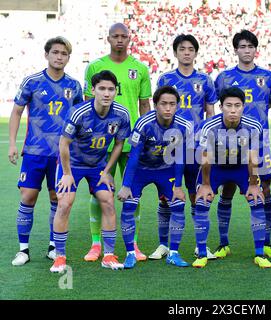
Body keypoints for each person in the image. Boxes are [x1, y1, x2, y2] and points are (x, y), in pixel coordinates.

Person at [214, 30, 271, 260]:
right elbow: (218, 107)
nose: (246, 50)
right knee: (227, 187)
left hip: (261, 141)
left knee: (265, 189)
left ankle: (266, 241)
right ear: (235, 50)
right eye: (242, 46)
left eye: (250, 46)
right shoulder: (224, 78)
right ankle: (223, 243)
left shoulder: (267, 77)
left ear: (256, 49)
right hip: (230, 142)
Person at [9, 37, 83, 266]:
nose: (59, 57)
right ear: (47, 55)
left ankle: (53, 246)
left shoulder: (74, 86)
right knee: (28, 196)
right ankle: (23, 250)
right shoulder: (32, 82)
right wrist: (12, 143)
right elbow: (17, 112)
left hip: (61, 155)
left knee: (56, 198)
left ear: (68, 58)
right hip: (34, 151)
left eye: (64, 53)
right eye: (55, 52)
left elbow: (79, 117)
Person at [83, 23, 152, 262]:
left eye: (124, 36)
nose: (120, 40)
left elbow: (145, 106)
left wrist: (147, 138)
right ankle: (96, 244)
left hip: (131, 142)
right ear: (108, 38)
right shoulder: (95, 66)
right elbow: (87, 105)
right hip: (102, 143)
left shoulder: (140, 68)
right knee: (99, 191)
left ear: (130, 38)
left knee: (133, 192)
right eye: (116, 36)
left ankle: (133, 244)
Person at [50, 70, 130, 272]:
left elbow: (119, 144)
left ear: (116, 91)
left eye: (111, 89)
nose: (106, 93)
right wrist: (67, 173)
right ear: (93, 90)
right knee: (65, 203)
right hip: (73, 165)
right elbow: (63, 143)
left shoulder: (121, 114)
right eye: (102, 88)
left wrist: (107, 170)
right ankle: (59, 258)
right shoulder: (79, 112)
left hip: (98, 166)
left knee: (108, 202)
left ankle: (109, 255)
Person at [153, 34, 218, 260]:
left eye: (191, 49)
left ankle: (201, 245)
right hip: (170, 147)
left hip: (195, 148)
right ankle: (163, 245)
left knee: (197, 195)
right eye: (182, 49)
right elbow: (159, 112)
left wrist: (209, 143)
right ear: (175, 52)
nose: (187, 52)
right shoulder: (165, 79)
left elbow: (210, 113)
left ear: (196, 53)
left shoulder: (206, 80)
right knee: (165, 196)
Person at [192, 87, 271, 269]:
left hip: (241, 168)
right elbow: (205, 157)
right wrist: (205, 184)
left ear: (243, 107)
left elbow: (253, 156)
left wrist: (253, 184)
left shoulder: (254, 125)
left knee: (257, 201)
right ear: (221, 107)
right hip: (216, 168)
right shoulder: (209, 126)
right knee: (202, 202)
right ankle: (203, 253)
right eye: (228, 105)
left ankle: (259, 253)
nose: (233, 110)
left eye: (237, 105)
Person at [117, 86, 193, 269]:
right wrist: (126, 185)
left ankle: (173, 253)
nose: (168, 108)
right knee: (129, 206)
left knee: (178, 205)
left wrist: (178, 186)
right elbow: (133, 157)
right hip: (141, 170)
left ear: (178, 106)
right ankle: (130, 254)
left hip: (166, 169)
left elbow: (181, 157)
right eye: (163, 104)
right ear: (155, 105)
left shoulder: (184, 126)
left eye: (172, 104)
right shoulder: (144, 123)